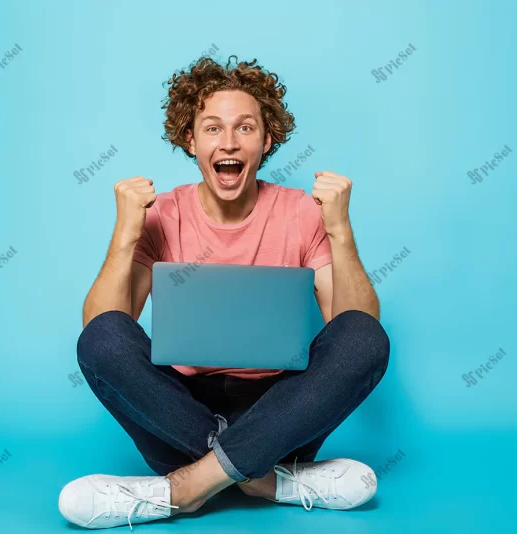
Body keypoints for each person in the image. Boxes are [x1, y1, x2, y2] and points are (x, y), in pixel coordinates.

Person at [59, 55, 390, 530]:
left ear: (267, 140)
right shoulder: (162, 213)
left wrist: (341, 230)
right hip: (178, 416)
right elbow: (103, 327)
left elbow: (355, 326)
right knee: (101, 338)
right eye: (212, 128)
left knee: (367, 337)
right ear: (190, 140)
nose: (229, 142)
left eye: (245, 128)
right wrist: (125, 233)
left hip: (282, 413)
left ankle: (184, 489)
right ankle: (266, 479)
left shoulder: (301, 212)